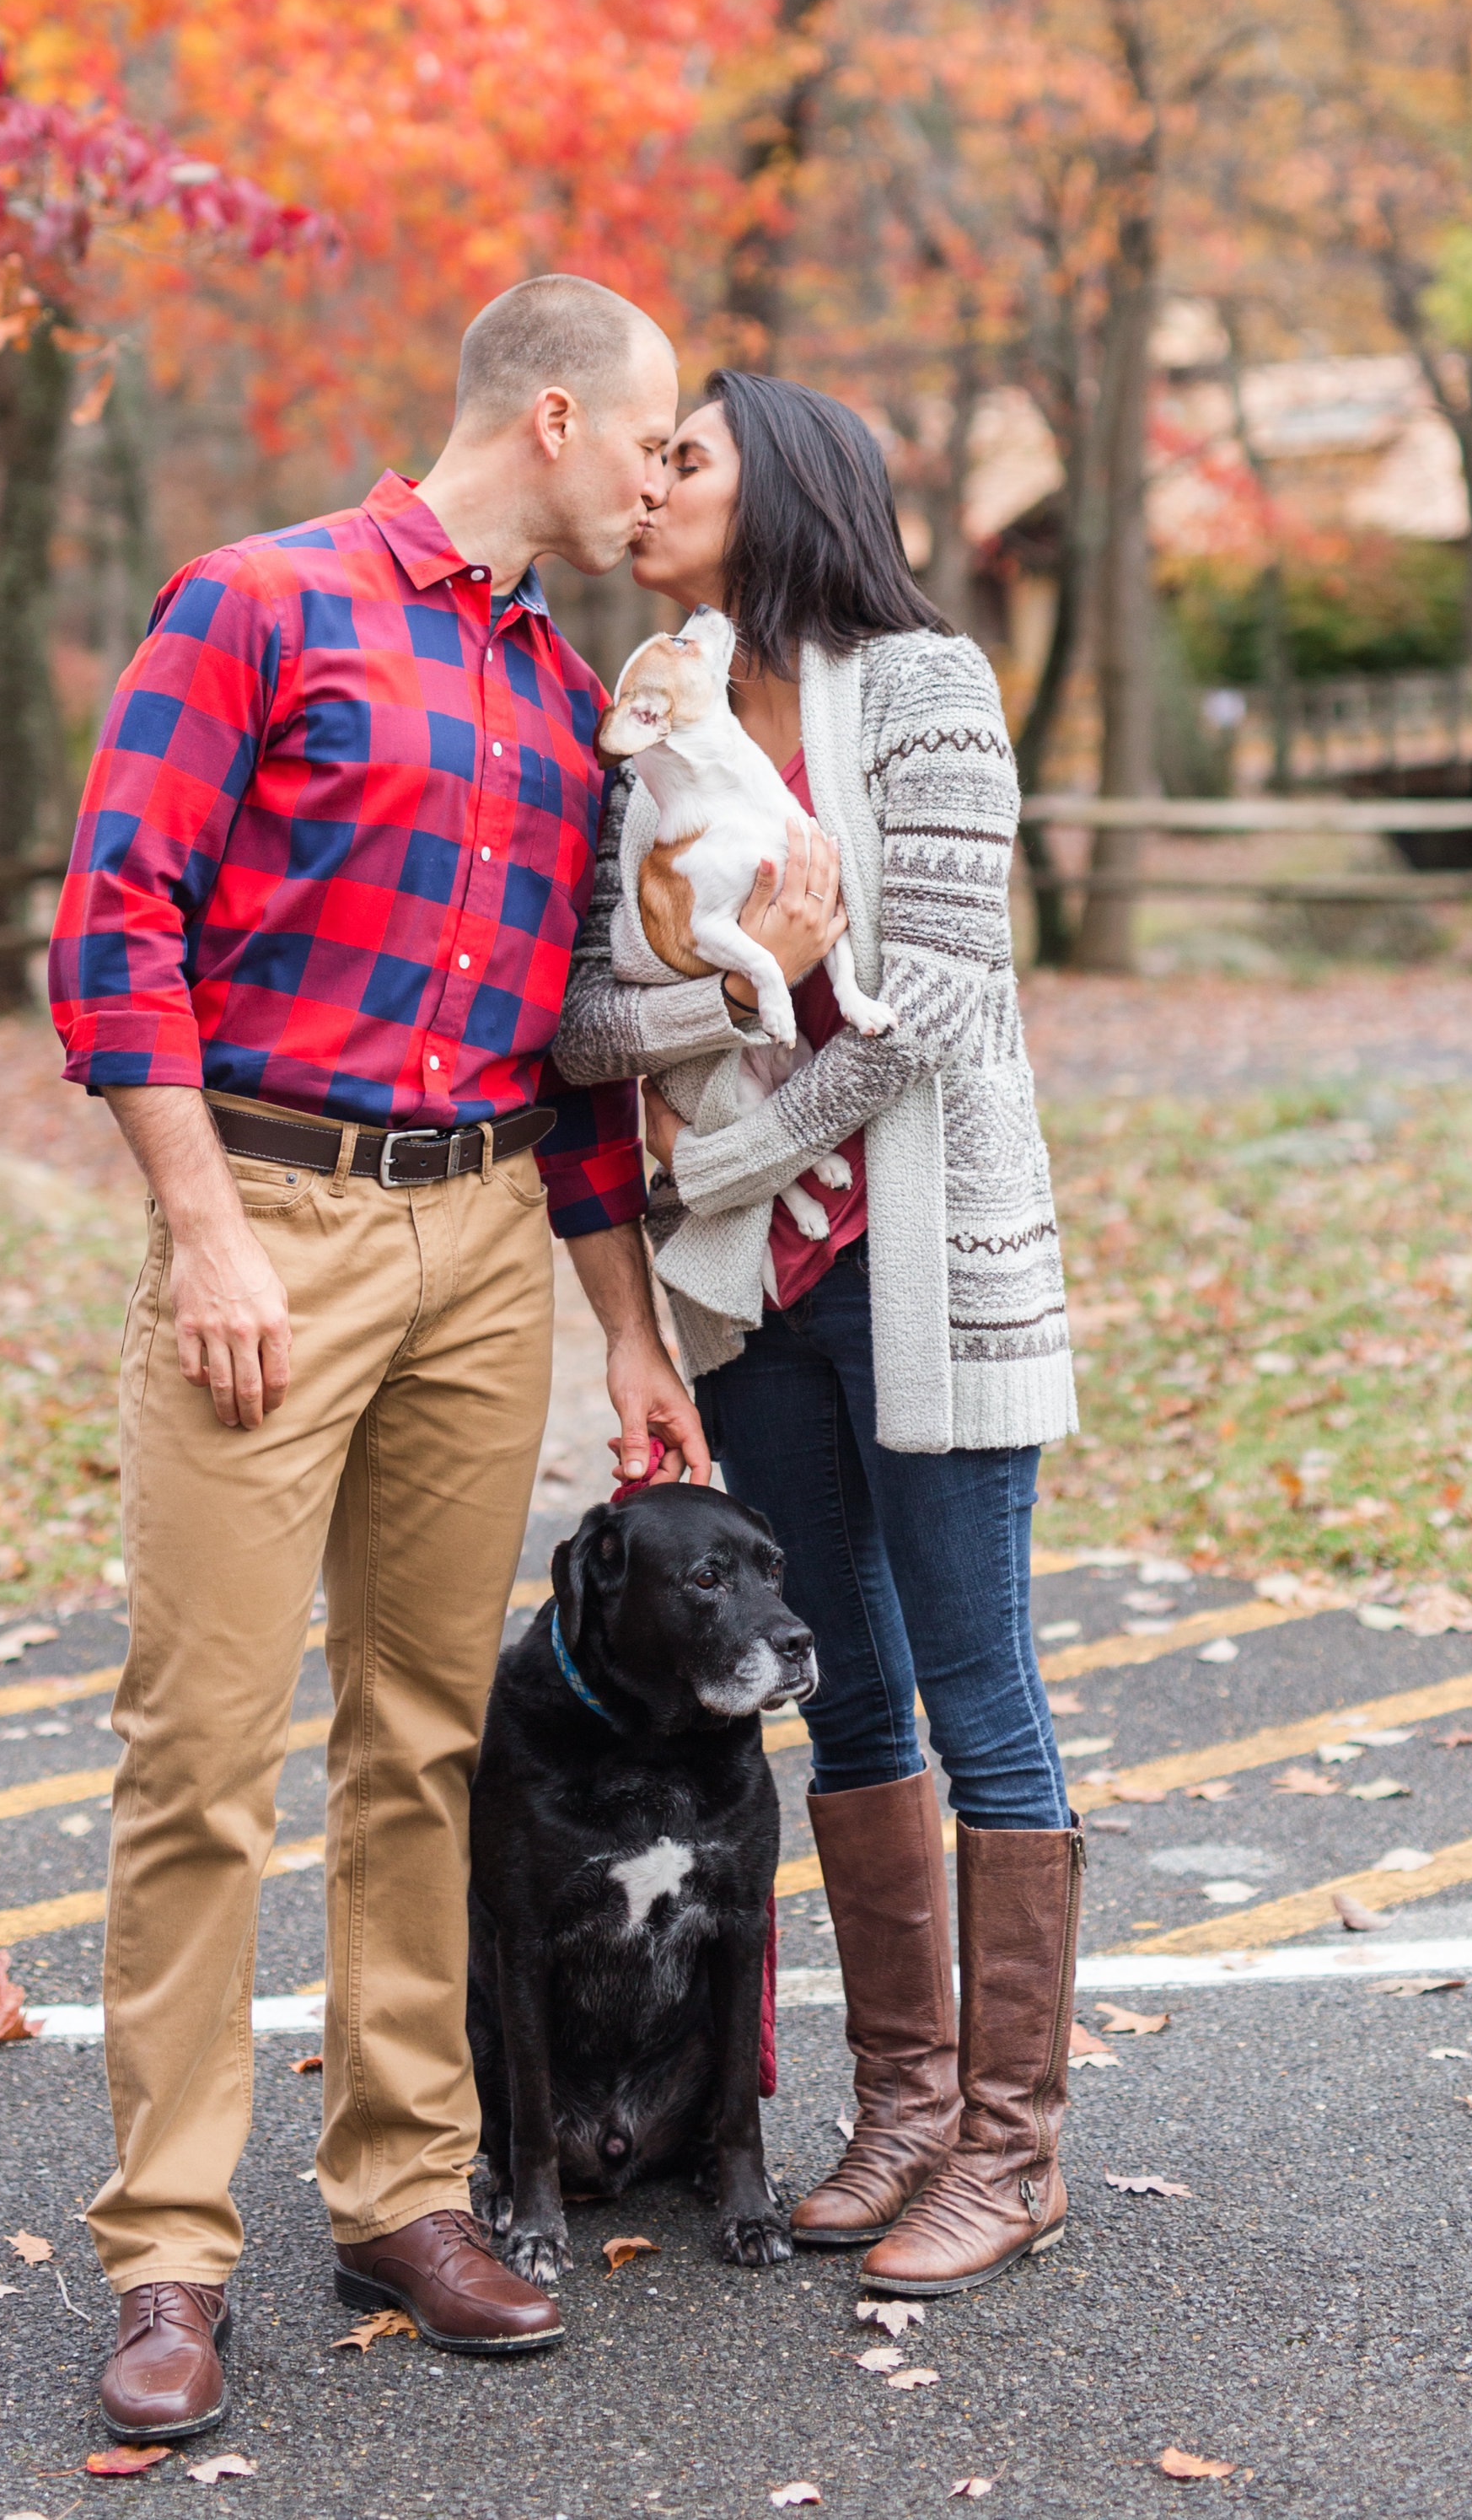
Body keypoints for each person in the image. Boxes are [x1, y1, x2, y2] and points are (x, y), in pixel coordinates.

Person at [49, 274, 714, 2439]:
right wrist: (207, 1228)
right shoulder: (260, 607)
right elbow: (111, 925)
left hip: (481, 1238)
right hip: (278, 1224)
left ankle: (404, 2187)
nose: (656, 473)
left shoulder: (561, 705)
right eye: (646, 437)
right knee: (204, 1759)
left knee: (427, 1741)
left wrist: (620, 1334)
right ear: (549, 418)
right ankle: (166, 2252)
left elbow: (571, 1067)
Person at [551, 368, 1080, 2302]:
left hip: (921, 1268)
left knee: (976, 1691)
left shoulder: (924, 687)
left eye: (682, 457)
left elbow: (937, 998)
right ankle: (907, 2111)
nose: (646, 482)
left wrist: (720, 1154)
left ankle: (1011, 2153)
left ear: (776, 483)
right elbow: (591, 1028)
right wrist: (761, 973)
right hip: (759, 1298)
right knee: (835, 1694)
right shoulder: (649, 724)